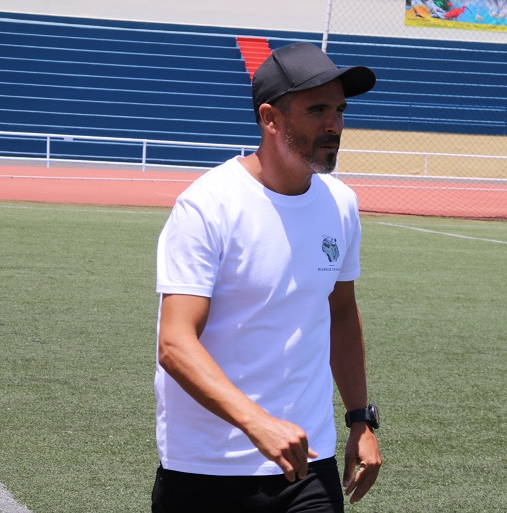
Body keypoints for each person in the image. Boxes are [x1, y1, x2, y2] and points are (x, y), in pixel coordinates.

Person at [151, 42, 382, 512]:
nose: (335, 125)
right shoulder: (208, 205)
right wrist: (257, 423)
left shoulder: (341, 204)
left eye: (339, 110)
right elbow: (174, 343)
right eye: (317, 110)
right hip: (205, 469)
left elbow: (341, 314)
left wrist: (360, 419)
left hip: (309, 465)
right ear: (270, 118)